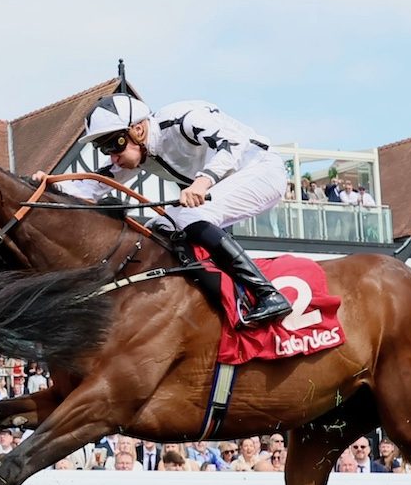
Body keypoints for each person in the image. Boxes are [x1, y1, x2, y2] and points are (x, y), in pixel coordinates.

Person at [41, 91, 292, 325]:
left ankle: (266, 293)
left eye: (113, 145)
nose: (112, 156)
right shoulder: (139, 150)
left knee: (192, 214)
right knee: (157, 227)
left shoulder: (182, 119)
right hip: (227, 185)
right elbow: (90, 187)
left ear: (138, 129)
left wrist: (201, 183)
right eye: (103, 148)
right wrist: (41, 185)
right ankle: (213, 302)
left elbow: (233, 144)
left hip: (262, 171)